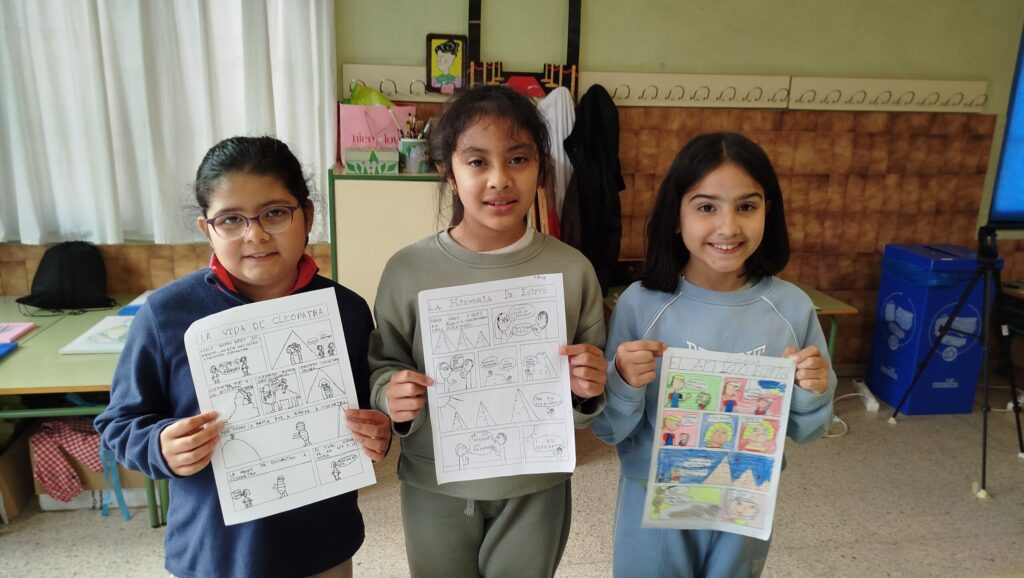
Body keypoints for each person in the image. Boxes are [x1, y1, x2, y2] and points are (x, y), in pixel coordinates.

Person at [94, 136, 392, 578]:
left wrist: (378, 431)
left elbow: (367, 408)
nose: (255, 234)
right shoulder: (166, 314)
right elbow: (118, 425)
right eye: (231, 219)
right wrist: (160, 446)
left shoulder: (346, 310)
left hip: (322, 545)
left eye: (275, 212)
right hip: (215, 551)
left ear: (308, 216)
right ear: (207, 229)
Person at [368, 84, 608, 577]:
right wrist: (390, 394)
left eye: (518, 159)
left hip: (536, 482)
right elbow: (384, 363)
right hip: (436, 481)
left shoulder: (572, 270)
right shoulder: (407, 270)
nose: (500, 179)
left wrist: (586, 389)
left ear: (540, 167)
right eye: (477, 162)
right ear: (448, 172)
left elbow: (589, 394)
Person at [592, 132, 836, 577]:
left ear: (768, 212)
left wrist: (812, 391)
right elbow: (609, 429)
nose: (728, 227)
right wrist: (623, 381)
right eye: (706, 207)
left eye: (746, 206)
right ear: (676, 216)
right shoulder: (640, 304)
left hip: (744, 498)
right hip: (653, 498)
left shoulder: (792, 308)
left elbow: (809, 430)